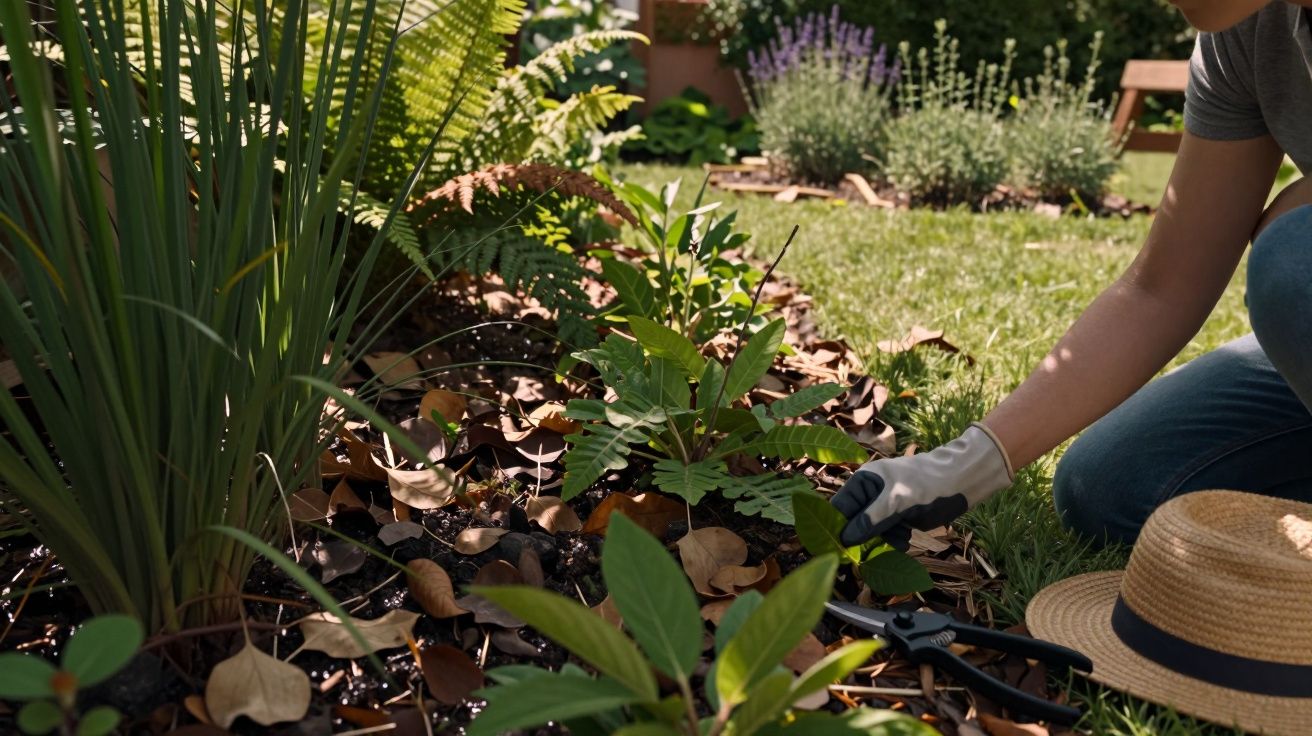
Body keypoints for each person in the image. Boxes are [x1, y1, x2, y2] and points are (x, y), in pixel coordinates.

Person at [832, 0, 1312, 549]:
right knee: (1116, 487)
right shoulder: (1247, 32)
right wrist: (963, 464)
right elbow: (1164, 287)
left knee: (1295, 257)